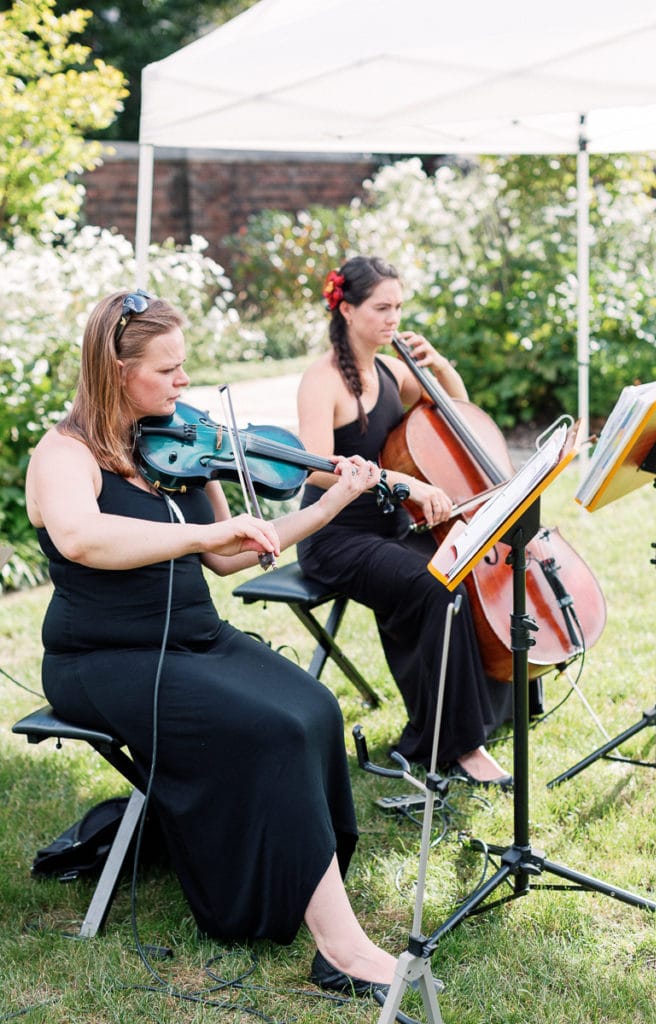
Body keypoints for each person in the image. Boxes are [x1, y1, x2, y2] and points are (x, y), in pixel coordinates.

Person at [24, 288, 399, 997]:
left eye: (183, 367)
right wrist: (198, 534)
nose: (182, 382)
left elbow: (232, 555)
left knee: (314, 708)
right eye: (166, 371)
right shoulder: (63, 453)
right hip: (102, 658)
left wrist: (330, 503)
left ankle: (294, 882)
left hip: (196, 637)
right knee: (271, 732)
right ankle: (340, 951)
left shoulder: (179, 441)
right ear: (113, 370)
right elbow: (81, 536)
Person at [296, 256, 512, 786]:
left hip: (390, 530)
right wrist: (405, 484)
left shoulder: (393, 370)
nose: (394, 318)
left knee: (465, 568)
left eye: (399, 306)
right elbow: (319, 470)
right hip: (337, 537)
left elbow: (456, 415)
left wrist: (438, 366)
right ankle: (453, 745)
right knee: (437, 586)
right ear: (346, 309)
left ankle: (493, 708)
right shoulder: (321, 382)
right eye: (382, 307)